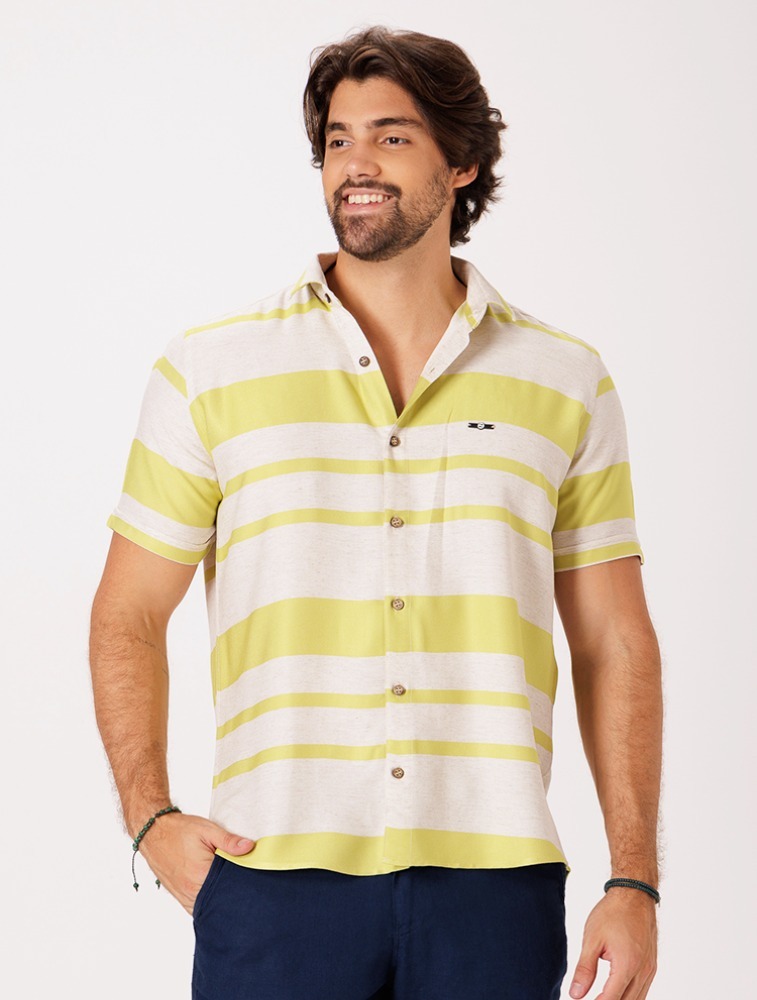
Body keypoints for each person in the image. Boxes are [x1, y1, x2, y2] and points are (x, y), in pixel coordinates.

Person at [89, 24, 662, 1000]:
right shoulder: (209, 370)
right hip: (270, 877)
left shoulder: (565, 380)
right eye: (338, 140)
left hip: (494, 885)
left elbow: (614, 640)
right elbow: (128, 611)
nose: (355, 164)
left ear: (462, 161)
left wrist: (632, 878)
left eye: (391, 137)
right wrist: (151, 819)